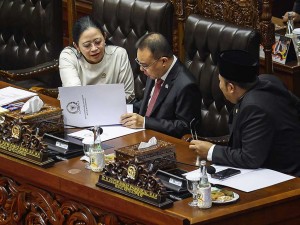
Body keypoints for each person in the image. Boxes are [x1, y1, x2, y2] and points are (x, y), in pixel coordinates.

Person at [189, 50, 300, 176]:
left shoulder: (253, 108)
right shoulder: (269, 81)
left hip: (285, 176)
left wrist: (211, 151)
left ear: (231, 88)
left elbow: (250, 158)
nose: (219, 85)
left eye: (220, 81)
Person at [120, 33, 201, 138]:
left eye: (144, 65)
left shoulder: (186, 86)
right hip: (144, 135)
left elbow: (184, 127)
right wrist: (124, 110)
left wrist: (145, 122)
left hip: (167, 142)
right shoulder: (155, 69)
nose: (141, 69)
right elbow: (150, 104)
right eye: (139, 63)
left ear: (163, 61)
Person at [59, 16, 135, 102]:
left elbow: (128, 94)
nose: (94, 48)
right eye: (87, 45)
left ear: (105, 37)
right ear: (77, 46)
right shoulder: (68, 56)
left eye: (98, 42)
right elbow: (75, 94)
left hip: (110, 109)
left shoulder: (119, 54)